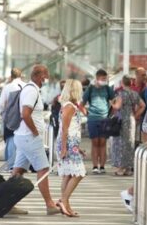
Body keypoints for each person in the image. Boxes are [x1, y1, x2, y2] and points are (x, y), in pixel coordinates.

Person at [12, 64, 60, 215]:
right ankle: (50, 204)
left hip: (23, 136)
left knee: (18, 171)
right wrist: (35, 132)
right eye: (46, 76)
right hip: (29, 137)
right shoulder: (31, 91)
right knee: (43, 169)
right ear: (40, 76)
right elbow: (25, 114)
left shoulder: (31, 90)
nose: (47, 79)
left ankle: (8, 202)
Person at [55, 79, 87, 217]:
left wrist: (76, 147)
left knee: (68, 174)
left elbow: (71, 129)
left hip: (70, 143)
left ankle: (65, 203)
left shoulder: (69, 105)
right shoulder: (69, 107)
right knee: (79, 173)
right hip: (67, 143)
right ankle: (64, 200)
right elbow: (65, 129)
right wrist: (64, 148)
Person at [81, 69, 118, 174]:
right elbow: (81, 104)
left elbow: (114, 101)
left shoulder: (107, 89)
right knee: (95, 142)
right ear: (97, 79)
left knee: (103, 142)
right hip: (93, 119)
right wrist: (87, 114)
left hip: (104, 119)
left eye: (105, 79)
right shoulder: (90, 89)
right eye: (102, 79)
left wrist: (111, 114)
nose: (104, 81)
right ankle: (94, 166)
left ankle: (102, 166)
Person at [111, 75, 146, 176]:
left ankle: (121, 168)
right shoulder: (134, 94)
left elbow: (117, 106)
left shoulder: (120, 94)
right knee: (130, 143)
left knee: (120, 143)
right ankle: (128, 168)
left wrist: (112, 103)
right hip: (131, 119)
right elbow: (143, 105)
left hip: (121, 120)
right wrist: (135, 115)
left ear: (122, 83)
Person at [0, 68, 24, 168]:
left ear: (11, 76)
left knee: (10, 139)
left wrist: (3, 114)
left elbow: (0, 104)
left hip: (10, 117)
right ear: (21, 76)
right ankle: (21, 164)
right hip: (23, 117)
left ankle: (11, 164)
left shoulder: (7, 87)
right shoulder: (26, 86)